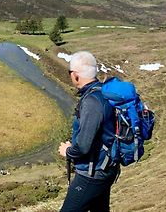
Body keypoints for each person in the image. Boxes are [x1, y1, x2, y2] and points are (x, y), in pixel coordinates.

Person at [58, 51, 119, 212]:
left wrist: (68, 151)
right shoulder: (103, 92)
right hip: (106, 167)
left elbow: (83, 147)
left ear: (76, 75)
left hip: (92, 173)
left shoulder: (92, 101)